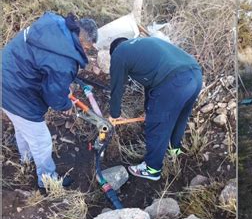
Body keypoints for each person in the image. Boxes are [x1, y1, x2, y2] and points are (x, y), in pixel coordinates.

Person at [2, 12, 98, 193]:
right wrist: (66, 105)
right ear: (84, 42)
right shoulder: (65, 61)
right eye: (88, 48)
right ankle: (47, 181)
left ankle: (27, 160)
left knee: (22, 127)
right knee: (41, 140)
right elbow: (53, 94)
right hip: (16, 91)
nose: (87, 51)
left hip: (6, 74)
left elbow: (45, 69)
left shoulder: (55, 23)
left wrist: (62, 87)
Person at [108, 37, 202, 181]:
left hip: (174, 82)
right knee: (180, 117)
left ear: (113, 51)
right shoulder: (144, 45)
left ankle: (152, 169)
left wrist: (114, 114)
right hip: (195, 75)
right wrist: (148, 109)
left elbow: (117, 87)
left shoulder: (119, 53)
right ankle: (174, 150)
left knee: (157, 124)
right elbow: (151, 84)